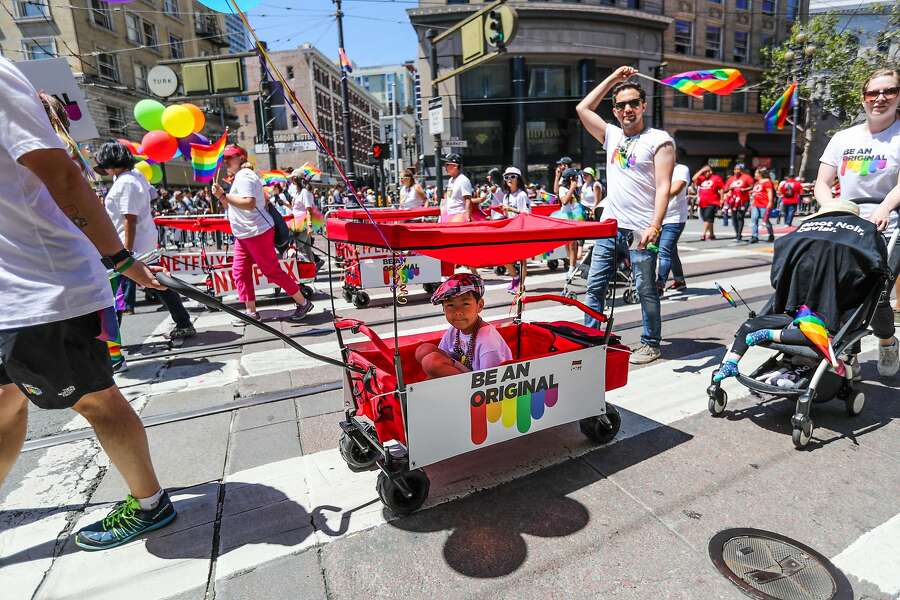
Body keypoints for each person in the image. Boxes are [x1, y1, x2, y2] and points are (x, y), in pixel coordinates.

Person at [0, 56, 176, 550]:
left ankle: (150, 504)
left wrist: (120, 258)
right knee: (4, 402)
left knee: (95, 398)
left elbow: (64, 177)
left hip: (45, 290)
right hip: (13, 292)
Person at [713, 199, 891, 382]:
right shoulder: (865, 235)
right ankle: (731, 364)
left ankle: (739, 358)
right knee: (823, 337)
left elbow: (777, 277)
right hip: (834, 315)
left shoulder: (802, 232)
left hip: (794, 308)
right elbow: (875, 274)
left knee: (753, 325)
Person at [576, 65, 675, 365]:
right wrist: (613, 80)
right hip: (610, 227)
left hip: (641, 230)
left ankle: (651, 343)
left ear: (644, 105)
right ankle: (590, 342)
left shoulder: (660, 140)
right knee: (594, 286)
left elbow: (663, 187)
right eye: (621, 105)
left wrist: (655, 226)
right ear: (615, 112)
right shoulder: (612, 136)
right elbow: (583, 107)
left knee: (645, 289)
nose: (628, 109)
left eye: (634, 103)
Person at [815, 67, 900, 376]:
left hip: (889, 224)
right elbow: (822, 182)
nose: (880, 98)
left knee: (876, 294)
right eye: (873, 93)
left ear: (898, 96)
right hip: (848, 221)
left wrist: (886, 207)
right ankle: (848, 353)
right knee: (841, 289)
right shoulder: (843, 138)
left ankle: (888, 340)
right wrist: (831, 207)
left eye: (888, 91)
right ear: (863, 99)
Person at [95, 141, 197, 348]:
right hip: (141, 242)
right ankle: (183, 321)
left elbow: (129, 219)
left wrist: (125, 253)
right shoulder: (135, 177)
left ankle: (109, 345)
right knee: (159, 285)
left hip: (130, 246)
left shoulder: (125, 183)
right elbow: (152, 196)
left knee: (117, 294)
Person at [211, 145, 314, 324]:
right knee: (240, 272)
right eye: (225, 158)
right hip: (245, 233)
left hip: (256, 232)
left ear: (241, 158)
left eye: (230, 157)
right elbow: (237, 205)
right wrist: (222, 197)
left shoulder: (245, 176)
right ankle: (251, 312)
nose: (226, 161)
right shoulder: (240, 177)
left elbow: (249, 203)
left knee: (271, 271)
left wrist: (224, 195)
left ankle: (303, 302)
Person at [414, 274, 512, 377]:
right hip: (466, 375)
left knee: (431, 361)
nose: (458, 312)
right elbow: (442, 356)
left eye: (465, 304)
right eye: (450, 305)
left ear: (480, 306)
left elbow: (492, 381)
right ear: (443, 309)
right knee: (423, 350)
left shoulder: (488, 341)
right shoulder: (453, 331)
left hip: (482, 383)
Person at [657, 163, 691, 294]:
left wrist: (656, 196)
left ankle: (659, 286)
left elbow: (676, 189)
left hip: (674, 219)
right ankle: (680, 281)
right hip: (658, 218)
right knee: (671, 251)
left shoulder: (681, 169)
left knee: (664, 251)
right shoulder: (657, 168)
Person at [500, 167, 531, 294]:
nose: (509, 179)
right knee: (504, 257)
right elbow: (506, 214)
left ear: (518, 179)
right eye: (507, 177)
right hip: (509, 230)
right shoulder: (506, 196)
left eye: (512, 176)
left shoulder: (522, 195)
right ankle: (515, 278)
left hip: (521, 230)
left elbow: (526, 213)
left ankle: (521, 285)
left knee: (522, 259)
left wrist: (511, 210)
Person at [288, 170, 321, 266]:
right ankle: (313, 269)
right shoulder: (297, 193)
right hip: (297, 223)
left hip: (303, 224)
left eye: (292, 179)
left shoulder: (304, 192)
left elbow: (308, 210)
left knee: (297, 246)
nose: (291, 181)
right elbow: (295, 209)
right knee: (306, 249)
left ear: (295, 180)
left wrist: (310, 226)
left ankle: (308, 269)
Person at [558, 167, 582, 274]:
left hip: (574, 218)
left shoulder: (576, 188)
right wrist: (572, 188)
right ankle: (571, 265)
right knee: (568, 244)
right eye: (576, 177)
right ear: (571, 178)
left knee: (573, 243)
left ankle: (572, 265)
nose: (577, 178)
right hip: (566, 218)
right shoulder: (562, 189)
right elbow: (564, 201)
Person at [693, 164, 724, 241]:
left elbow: (722, 189)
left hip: (712, 202)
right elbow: (693, 179)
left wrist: (722, 199)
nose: (707, 173)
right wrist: (701, 170)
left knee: (707, 218)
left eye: (708, 171)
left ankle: (703, 234)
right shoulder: (701, 178)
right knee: (708, 219)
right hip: (702, 202)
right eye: (705, 171)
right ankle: (712, 234)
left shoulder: (716, 178)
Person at [441, 153, 475, 222]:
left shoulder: (463, 180)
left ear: (455, 166)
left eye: (447, 164)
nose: (445, 167)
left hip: (459, 215)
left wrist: (468, 217)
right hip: (449, 214)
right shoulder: (450, 180)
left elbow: (467, 200)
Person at [724, 163, 754, 242]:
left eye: (738, 169)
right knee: (734, 218)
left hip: (743, 201)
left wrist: (745, 189)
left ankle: (739, 234)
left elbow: (752, 186)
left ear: (741, 170)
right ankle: (737, 233)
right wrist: (729, 188)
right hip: (733, 201)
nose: (737, 171)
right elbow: (725, 190)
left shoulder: (746, 177)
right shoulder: (731, 179)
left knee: (740, 216)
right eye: (735, 169)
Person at [749, 168, 775, 243]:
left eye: (756, 173)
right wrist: (752, 203)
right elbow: (755, 193)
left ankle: (771, 235)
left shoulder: (767, 181)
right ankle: (754, 236)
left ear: (760, 174)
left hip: (764, 204)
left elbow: (770, 192)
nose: (755, 174)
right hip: (755, 204)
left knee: (766, 220)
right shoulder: (757, 182)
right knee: (754, 218)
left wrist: (770, 202)